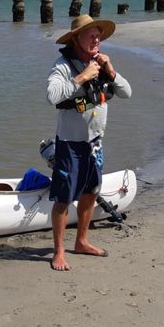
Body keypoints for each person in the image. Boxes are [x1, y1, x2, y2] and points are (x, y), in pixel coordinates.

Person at [46, 14, 132, 271]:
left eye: (98, 36)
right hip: (70, 144)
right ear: (76, 39)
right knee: (63, 199)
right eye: (91, 36)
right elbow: (52, 96)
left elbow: (127, 92)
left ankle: (82, 241)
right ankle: (59, 251)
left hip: (94, 143)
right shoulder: (63, 66)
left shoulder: (101, 63)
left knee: (91, 192)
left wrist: (111, 70)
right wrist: (82, 77)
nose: (96, 41)